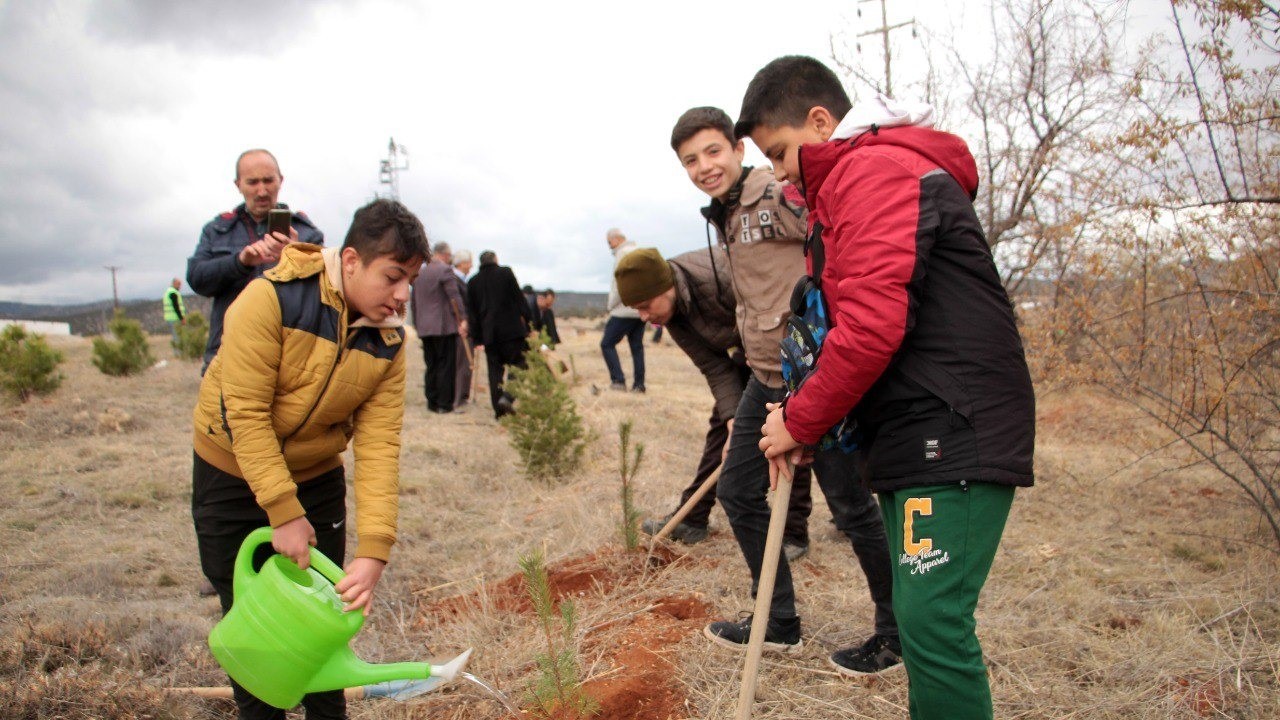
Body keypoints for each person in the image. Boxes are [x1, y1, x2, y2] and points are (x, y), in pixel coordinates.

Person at [744, 56, 1035, 716]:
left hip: (953, 423)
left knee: (932, 623)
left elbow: (873, 327)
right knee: (919, 615)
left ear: (821, 121)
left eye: (781, 152)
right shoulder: (842, 189)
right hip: (914, 426)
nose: (780, 172)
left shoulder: (874, 168)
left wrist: (800, 418)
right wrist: (809, 419)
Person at [671, 105, 899, 673]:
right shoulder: (725, 213)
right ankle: (778, 620)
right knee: (738, 491)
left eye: (713, 151)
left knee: (850, 508)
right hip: (765, 376)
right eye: (690, 160)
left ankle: (897, 631)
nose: (704, 166)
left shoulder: (777, 192)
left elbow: (834, 237)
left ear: (738, 149)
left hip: (819, 378)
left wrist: (829, 328)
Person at [191, 198, 428, 720]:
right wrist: (282, 510)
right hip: (230, 470)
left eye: (410, 280)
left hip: (317, 476)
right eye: (392, 277)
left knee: (325, 618)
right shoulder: (269, 299)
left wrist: (375, 548)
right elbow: (246, 413)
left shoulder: (389, 342)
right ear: (349, 261)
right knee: (255, 629)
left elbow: (379, 447)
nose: (402, 295)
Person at [616, 248, 812, 549]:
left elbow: (769, 307)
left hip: (780, 347)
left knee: (787, 430)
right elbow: (714, 367)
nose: (643, 317)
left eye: (644, 306)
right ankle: (693, 518)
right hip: (743, 355)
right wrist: (734, 418)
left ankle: (793, 532)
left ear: (664, 287)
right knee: (724, 423)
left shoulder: (718, 275)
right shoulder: (672, 314)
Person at [187, 149, 324, 372]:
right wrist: (240, 262)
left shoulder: (307, 234)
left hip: (289, 360)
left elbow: (324, 293)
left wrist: (295, 257)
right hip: (227, 356)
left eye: (268, 180)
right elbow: (197, 278)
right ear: (238, 184)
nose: (262, 191)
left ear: (280, 181)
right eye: (252, 182)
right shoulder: (217, 231)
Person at [466, 250, 533, 418]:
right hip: (511, 331)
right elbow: (519, 299)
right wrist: (530, 321)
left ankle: (499, 412)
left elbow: (472, 313)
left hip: (490, 335)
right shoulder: (505, 272)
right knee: (520, 364)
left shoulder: (473, 282)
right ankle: (508, 397)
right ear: (496, 260)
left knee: (494, 373)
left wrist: (477, 338)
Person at [410, 242, 467, 414]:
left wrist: (417, 323)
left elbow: (414, 302)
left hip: (424, 327)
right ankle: (444, 403)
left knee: (431, 364)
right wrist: (462, 318)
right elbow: (454, 296)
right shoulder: (444, 270)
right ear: (445, 255)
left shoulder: (420, 272)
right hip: (442, 326)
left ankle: (432, 401)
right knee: (445, 365)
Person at [601, 228, 646, 392]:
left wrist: (610, 305)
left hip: (623, 310)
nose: (609, 246)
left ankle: (618, 380)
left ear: (616, 239)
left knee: (606, 344)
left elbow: (620, 284)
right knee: (637, 347)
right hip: (640, 309)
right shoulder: (639, 251)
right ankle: (639, 385)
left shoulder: (622, 253)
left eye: (609, 242)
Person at [451, 250, 475, 408]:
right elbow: (456, 304)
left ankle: (461, 397)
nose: (471, 266)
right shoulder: (453, 280)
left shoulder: (462, 280)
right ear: (462, 263)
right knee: (462, 365)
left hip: (462, 328)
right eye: (469, 262)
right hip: (460, 328)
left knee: (464, 365)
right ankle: (458, 400)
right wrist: (464, 322)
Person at [162, 277, 186, 352]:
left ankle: (177, 351)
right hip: (174, 318)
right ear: (174, 283)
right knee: (177, 336)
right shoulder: (173, 293)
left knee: (175, 336)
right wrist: (181, 318)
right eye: (178, 284)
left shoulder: (168, 292)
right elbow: (176, 306)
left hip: (170, 318)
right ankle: (178, 352)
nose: (180, 286)